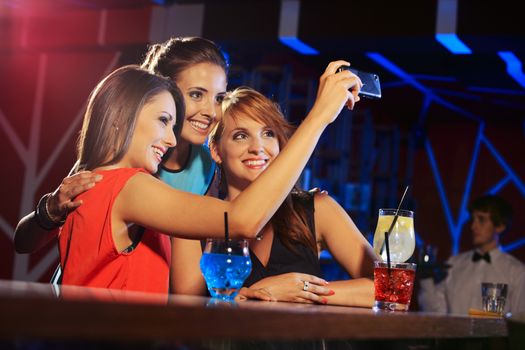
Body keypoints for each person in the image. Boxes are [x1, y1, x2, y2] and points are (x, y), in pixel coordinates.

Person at [16, 61, 363, 294]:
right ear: (122, 120)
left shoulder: (92, 181)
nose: (170, 139)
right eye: (164, 120)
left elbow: (24, 241)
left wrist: (48, 210)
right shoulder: (131, 186)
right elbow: (241, 220)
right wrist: (319, 117)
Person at [14, 37, 228, 254]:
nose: (211, 112)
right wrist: (50, 209)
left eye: (219, 98)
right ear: (162, 90)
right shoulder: (119, 156)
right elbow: (24, 242)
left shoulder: (207, 165)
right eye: (196, 95)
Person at [171, 87, 376, 307]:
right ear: (216, 150)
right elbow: (187, 311)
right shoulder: (195, 218)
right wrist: (258, 293)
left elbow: (388, 290)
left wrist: (301, 290)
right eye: (241, 136)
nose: (258, 148)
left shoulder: (317, 208)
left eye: (268, 134)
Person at [418, 194, 525, 314]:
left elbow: (520, 320)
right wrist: (426, 280)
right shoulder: (454, 264)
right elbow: (435, 312)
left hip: (495, 333)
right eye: (473, 219)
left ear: (500, 226)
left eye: (481, 220)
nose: (473, 226)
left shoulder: (516, 272)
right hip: (456, 332)